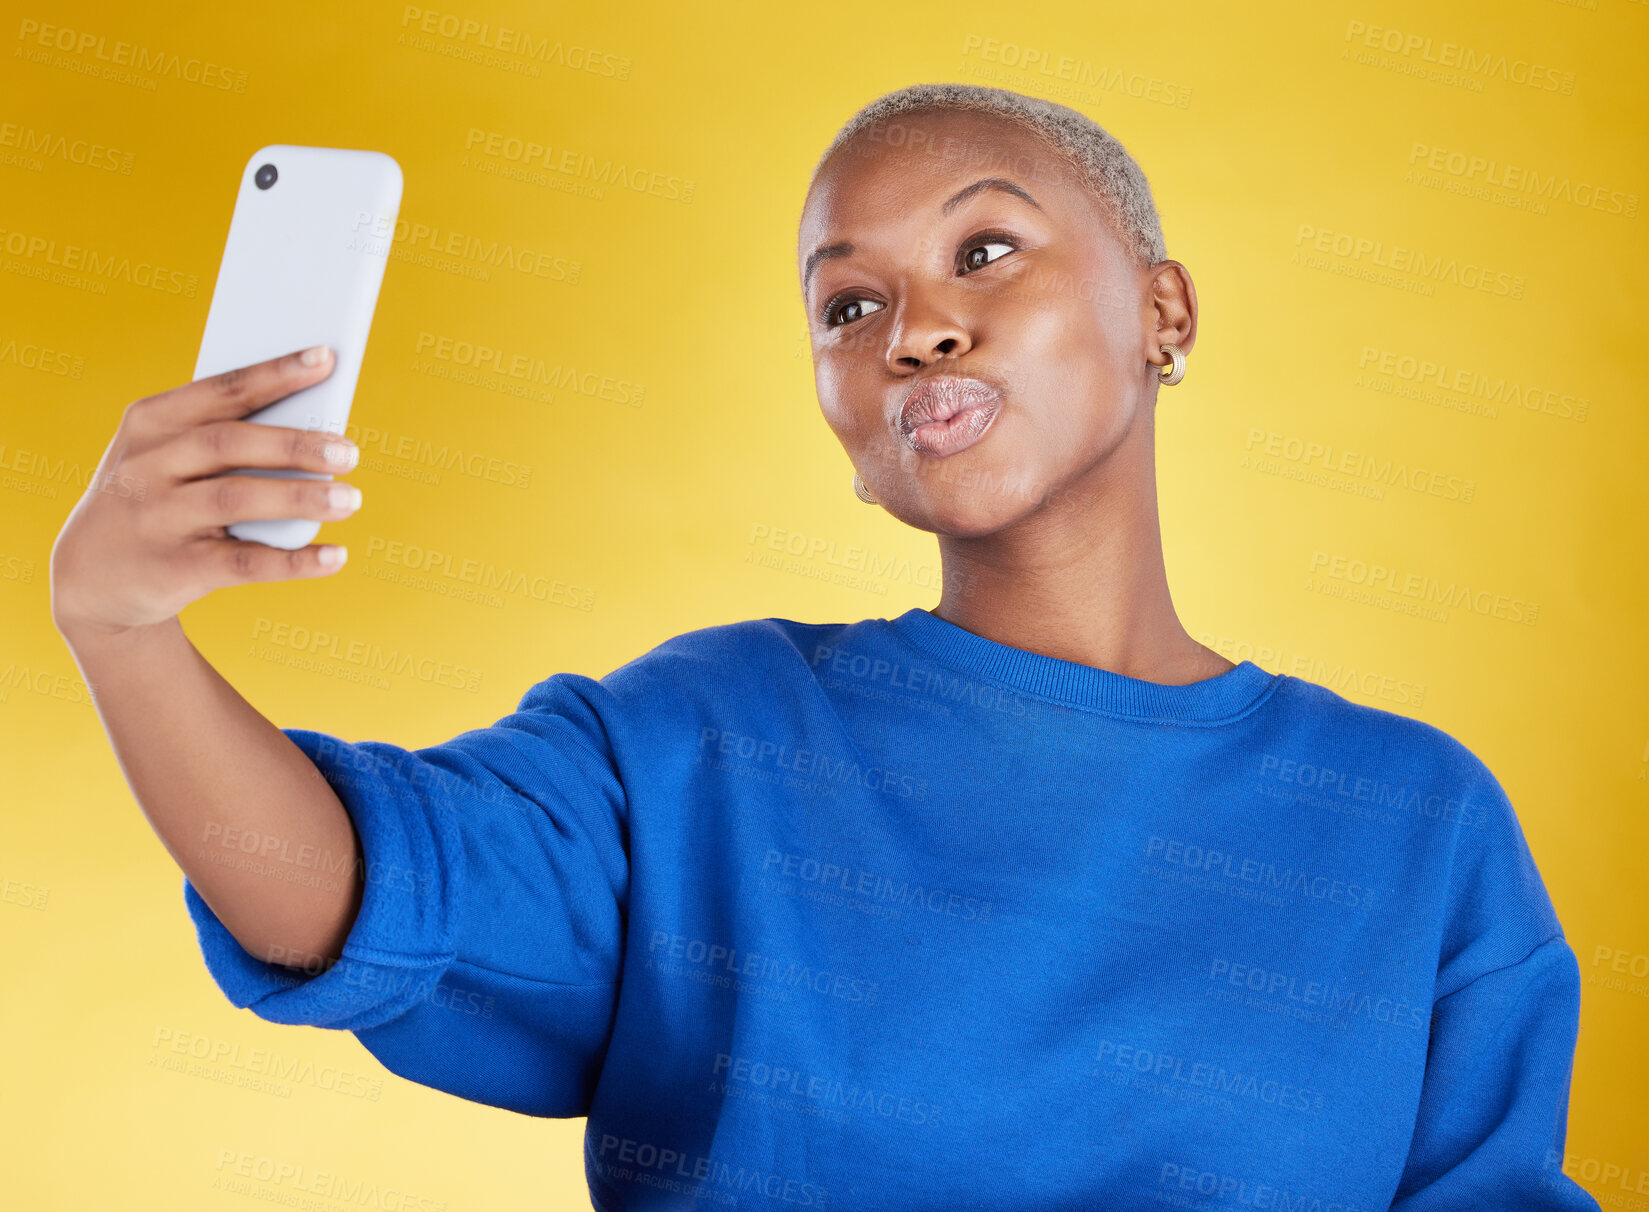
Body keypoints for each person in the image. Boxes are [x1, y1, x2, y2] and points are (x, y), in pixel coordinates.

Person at [51, 82, 1599, 1211]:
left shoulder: (1412, 821)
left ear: (1163, 311)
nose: (914, 330)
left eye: (982, 252)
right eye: (848, 306)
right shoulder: (708, 738)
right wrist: (123, 636)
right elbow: (354, 888)